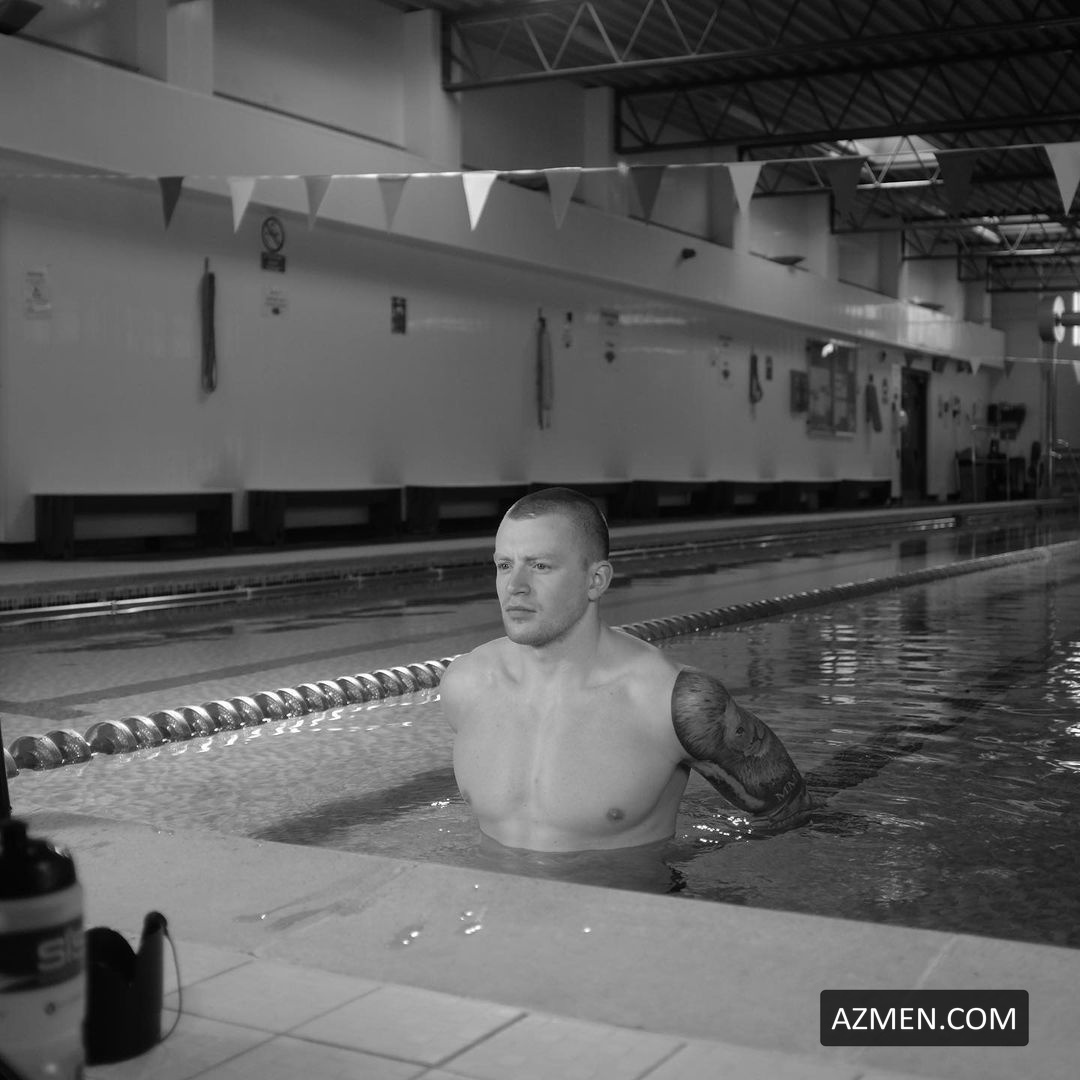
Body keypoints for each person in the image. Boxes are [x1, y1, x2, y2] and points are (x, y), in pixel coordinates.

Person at [439, 487, 810, 854]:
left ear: (596, 580)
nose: (514, 586)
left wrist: (687, 862)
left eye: (540, 566)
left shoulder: (673, 702)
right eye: (504, 565)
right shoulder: (466, 685)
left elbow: (790, 811)